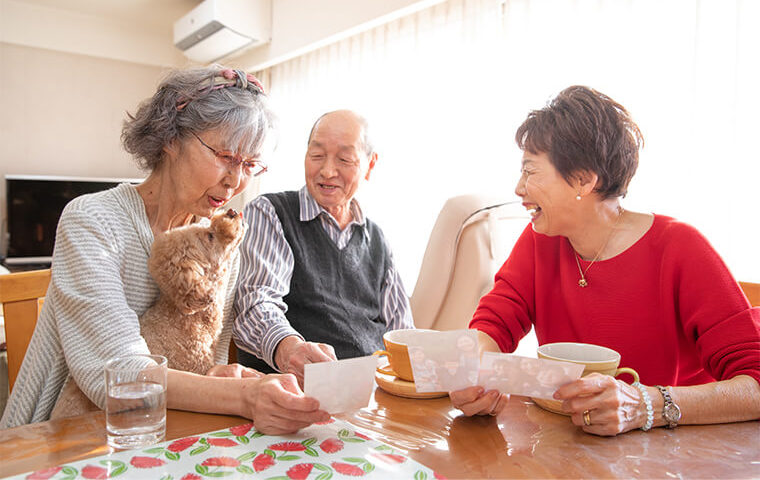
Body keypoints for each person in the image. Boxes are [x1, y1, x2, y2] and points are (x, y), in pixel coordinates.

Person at [1, 67, 329, 434]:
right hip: (60, 437)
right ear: (170, 137)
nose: (236, 181)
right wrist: (243, 395)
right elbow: (119, 376)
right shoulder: (91, 220)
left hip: (161, 429)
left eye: (250, 165)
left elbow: (203, 354)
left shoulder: (217, 241)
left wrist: (221, 375)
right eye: (225, 156)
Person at [451, 85, 760, 435]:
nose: (519, 188)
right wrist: (473, 371)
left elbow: (755, 384)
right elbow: (494, 324)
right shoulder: (541, 241)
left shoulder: (679, 248)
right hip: (573, 448)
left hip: (673, 455)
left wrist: (646, 405)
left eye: (531, 171)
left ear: (584, 179)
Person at [233, 109, 414, 384]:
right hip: (297, 392)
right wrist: (288, 348)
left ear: (370, 165)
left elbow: (402, 334)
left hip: (371, 393)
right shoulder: (270, 212)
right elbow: (256, 302)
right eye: (316, 156)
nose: (328, 171)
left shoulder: (377, 238)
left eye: (344, 159)